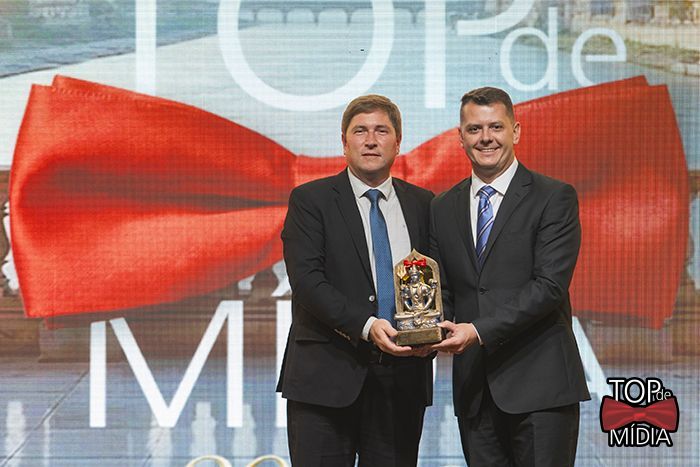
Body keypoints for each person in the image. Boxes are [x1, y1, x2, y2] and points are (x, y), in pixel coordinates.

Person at [429, 87, 590, 467]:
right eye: (474, 129)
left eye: (496, 127)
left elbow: (549, 287)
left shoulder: (553, 197)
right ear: (460, 137)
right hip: (474, 392)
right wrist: (429, 330)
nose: (486, 138)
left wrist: (477, 330)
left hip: (541, 389)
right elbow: (443, 290)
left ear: (515, 131)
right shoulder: (443, 206)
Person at [277, 95, 434, 466]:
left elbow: (441, 281)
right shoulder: (311, 200)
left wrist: (434, 334)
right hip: (324, 379)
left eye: (382, 131)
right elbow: (307, 281)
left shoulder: (424, 204)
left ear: (398, 142)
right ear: (344, 143)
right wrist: (367, 326)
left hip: (402, 381)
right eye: (360, 131)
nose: (371, 140)